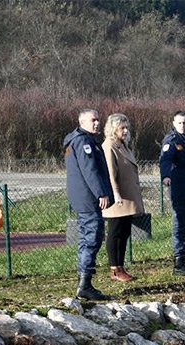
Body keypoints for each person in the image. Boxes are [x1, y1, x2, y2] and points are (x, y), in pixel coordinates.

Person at [64, 108, 114, 300]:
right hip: (88, 198)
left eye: (98, 120)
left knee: (86, 238)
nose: (97, 123)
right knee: (92, 237)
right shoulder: (83, 141)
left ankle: (84, 281)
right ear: (82, 122)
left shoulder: (79, 140)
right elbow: (90, 170)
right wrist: (101, 193)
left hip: (82, 197)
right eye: (93, 120)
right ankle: (85, 284)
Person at [101, 112, 144, 283]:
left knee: (125, 231)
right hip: (118, 197)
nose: (125, 131)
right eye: (122, 128)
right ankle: (114, 268)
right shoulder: (109, 145)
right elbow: (111, 173)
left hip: (128, 195)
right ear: (113, 128)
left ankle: (120, 266)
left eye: (127, 127)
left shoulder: (123, 145)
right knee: (115, 231)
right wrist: (116, 193)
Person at [158, 111, 185, 275]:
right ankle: (179, 262)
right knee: (180, 226)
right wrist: (166, 176)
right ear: (174, 123)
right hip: (179, 188)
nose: (183, 126)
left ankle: (184, 259)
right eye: (179, 123)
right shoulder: (172, 140)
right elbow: (165, 159)